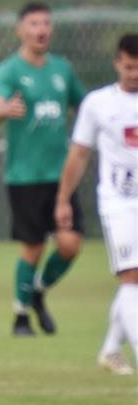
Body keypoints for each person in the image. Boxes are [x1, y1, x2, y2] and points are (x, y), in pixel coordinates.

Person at [0, 2, 87, 337]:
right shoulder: (10, 70)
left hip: (62, 176)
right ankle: (20, 315)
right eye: (33, 23)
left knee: (70, 244)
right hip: (25, 176)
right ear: (21, 30)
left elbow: (85, 108)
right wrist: (3, 108)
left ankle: (38, 290)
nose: (41, 29)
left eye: (45, 23)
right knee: (34, 247)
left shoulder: (62, 69)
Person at [55, 33, 138, 375]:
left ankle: (109, 349)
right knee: (131, 275)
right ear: (118, 62)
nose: (134, 73)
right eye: (130, 67)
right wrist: (63, 200)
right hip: (119, 203)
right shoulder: (98, 104)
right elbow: (79, 153)